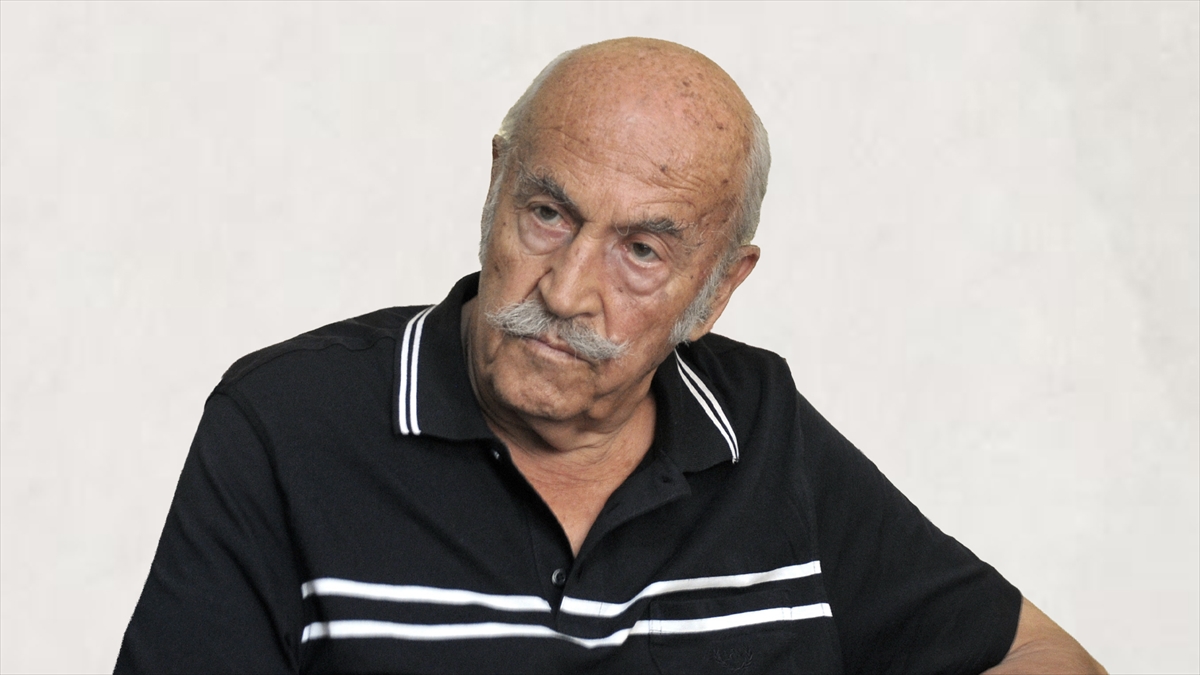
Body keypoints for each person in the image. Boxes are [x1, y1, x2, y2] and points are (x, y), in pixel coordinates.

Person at [115, 38, 1105, 674]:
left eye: (641, 250)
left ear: (719, 286)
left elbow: (1041, 656)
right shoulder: (286, 423)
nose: (566, 292)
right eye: (549, 213)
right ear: (496, 185)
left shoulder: (760, 425)